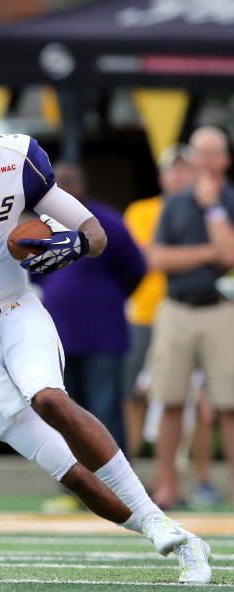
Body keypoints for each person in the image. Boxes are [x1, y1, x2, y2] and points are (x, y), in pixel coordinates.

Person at [0, 62, 211, 584]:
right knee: (65, 469)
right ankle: (165, 532)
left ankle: (160, 524)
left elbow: (94, 232)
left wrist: (71, 243)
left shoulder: (14, 159)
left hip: (15, 309)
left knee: (49, 397)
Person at [36, 161, 146, 513]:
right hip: (61, 337)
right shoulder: (41, 224)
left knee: (105, 411)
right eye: (60, 183)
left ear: (83, 185)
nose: (65, 189)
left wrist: (105, 299)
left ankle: (120, 489)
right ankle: (76, 490)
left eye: (71, 182)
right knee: (67, 415)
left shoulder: (105, 222)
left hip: (102, 334)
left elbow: (136, 268)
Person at [147, 126, 234, 510]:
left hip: (222, 308)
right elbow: (157, 259)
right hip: (177, 307)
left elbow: (229, 256)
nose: (206, 161)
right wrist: (206, 253)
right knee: (169, 401)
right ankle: (168, 486)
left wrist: (213, 208)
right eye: (201, 153)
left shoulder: (230, 199)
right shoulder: (175, 203)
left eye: (214, 153)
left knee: (229, 406)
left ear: (226, 159)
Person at [123, 143, 194, 459]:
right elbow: (146, 259)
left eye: (185, 168)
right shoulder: (141, 210)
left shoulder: (208, 209)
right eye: (173, 169)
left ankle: (188, 480)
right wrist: (196, 256)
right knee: (133, 395)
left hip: (188, 312)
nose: (178, 175)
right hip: (144, 313)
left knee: (190, 401)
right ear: (162, 175)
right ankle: (131, 472)